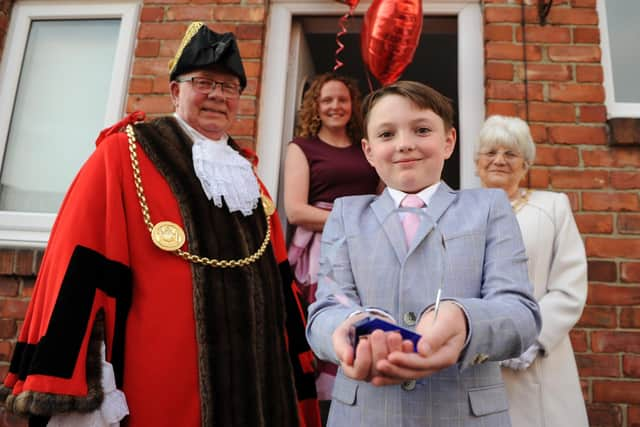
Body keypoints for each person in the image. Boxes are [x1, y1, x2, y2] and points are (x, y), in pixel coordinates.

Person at [0, 22, 320, 427]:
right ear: (175, 91)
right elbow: (79, 264)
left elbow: (279, 282)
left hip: (258, 384)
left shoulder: (247, 177)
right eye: (203, 82)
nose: (218, 95)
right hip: (162, 383)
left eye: (230, 87)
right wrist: (87, 381)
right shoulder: (125, 153)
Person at [305, 80, 541, 426]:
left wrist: (463, 319)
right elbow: (326, 308)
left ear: (449, 141)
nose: (404, 144)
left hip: (463, 414)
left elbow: (520, 314)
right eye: (387, 135)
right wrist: (350, 328)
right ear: (368, 151)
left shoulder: (489, 208)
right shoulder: (345, 214)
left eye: (421, 130)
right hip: (365, 415)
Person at [475, 114, 589, 427]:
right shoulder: (459, 210)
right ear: (476, 162)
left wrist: (530, 337)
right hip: (477, 360)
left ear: (526, 164)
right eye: (491, 152)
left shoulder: (553, 208)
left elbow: (569, 285)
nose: (499, 160)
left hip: (535, 366)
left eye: (510, 153)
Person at [283, 73, 379, 419]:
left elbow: (385, 199)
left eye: (342, 99)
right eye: (327, 101)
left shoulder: (366, 147)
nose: (335, 106)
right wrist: (351, 221)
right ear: (316, 107)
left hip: (368, 246)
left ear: (353, 105)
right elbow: (295, 210)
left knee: (365, 322)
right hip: (322, 248)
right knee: (329, 326)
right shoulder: (303, 147)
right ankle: (322, 412)